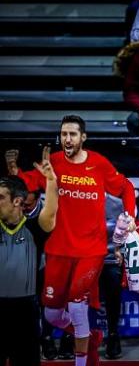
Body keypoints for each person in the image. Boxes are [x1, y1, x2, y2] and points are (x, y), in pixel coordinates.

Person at [7, 115, 136, 366]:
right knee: (53, 314)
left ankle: (81, 360)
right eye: (64, 134)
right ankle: (89, 337)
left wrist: (130, 215)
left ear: (83, 138)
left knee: (78, 306)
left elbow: (126, 187)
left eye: (73, 134)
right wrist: (15, 174)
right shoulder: (52, 162)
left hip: (91, 250)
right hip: (58, 249)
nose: (67, 139)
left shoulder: (98, 164)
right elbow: (28, 184)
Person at [0, 149, 57, 366]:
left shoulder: (34, 229)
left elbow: (51, 212)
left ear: (17, 202)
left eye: (1, 197)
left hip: (24, 312)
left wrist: (51, 182)